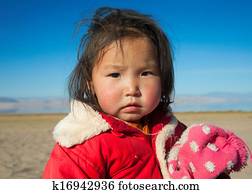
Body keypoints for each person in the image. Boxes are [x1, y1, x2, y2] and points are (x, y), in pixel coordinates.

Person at [43, 7, 250, 179]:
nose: (132, 88)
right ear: (90, 84)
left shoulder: (171, 131)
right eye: (115, 74)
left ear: (163, 78)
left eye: (145, 73)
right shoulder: (80, 146)